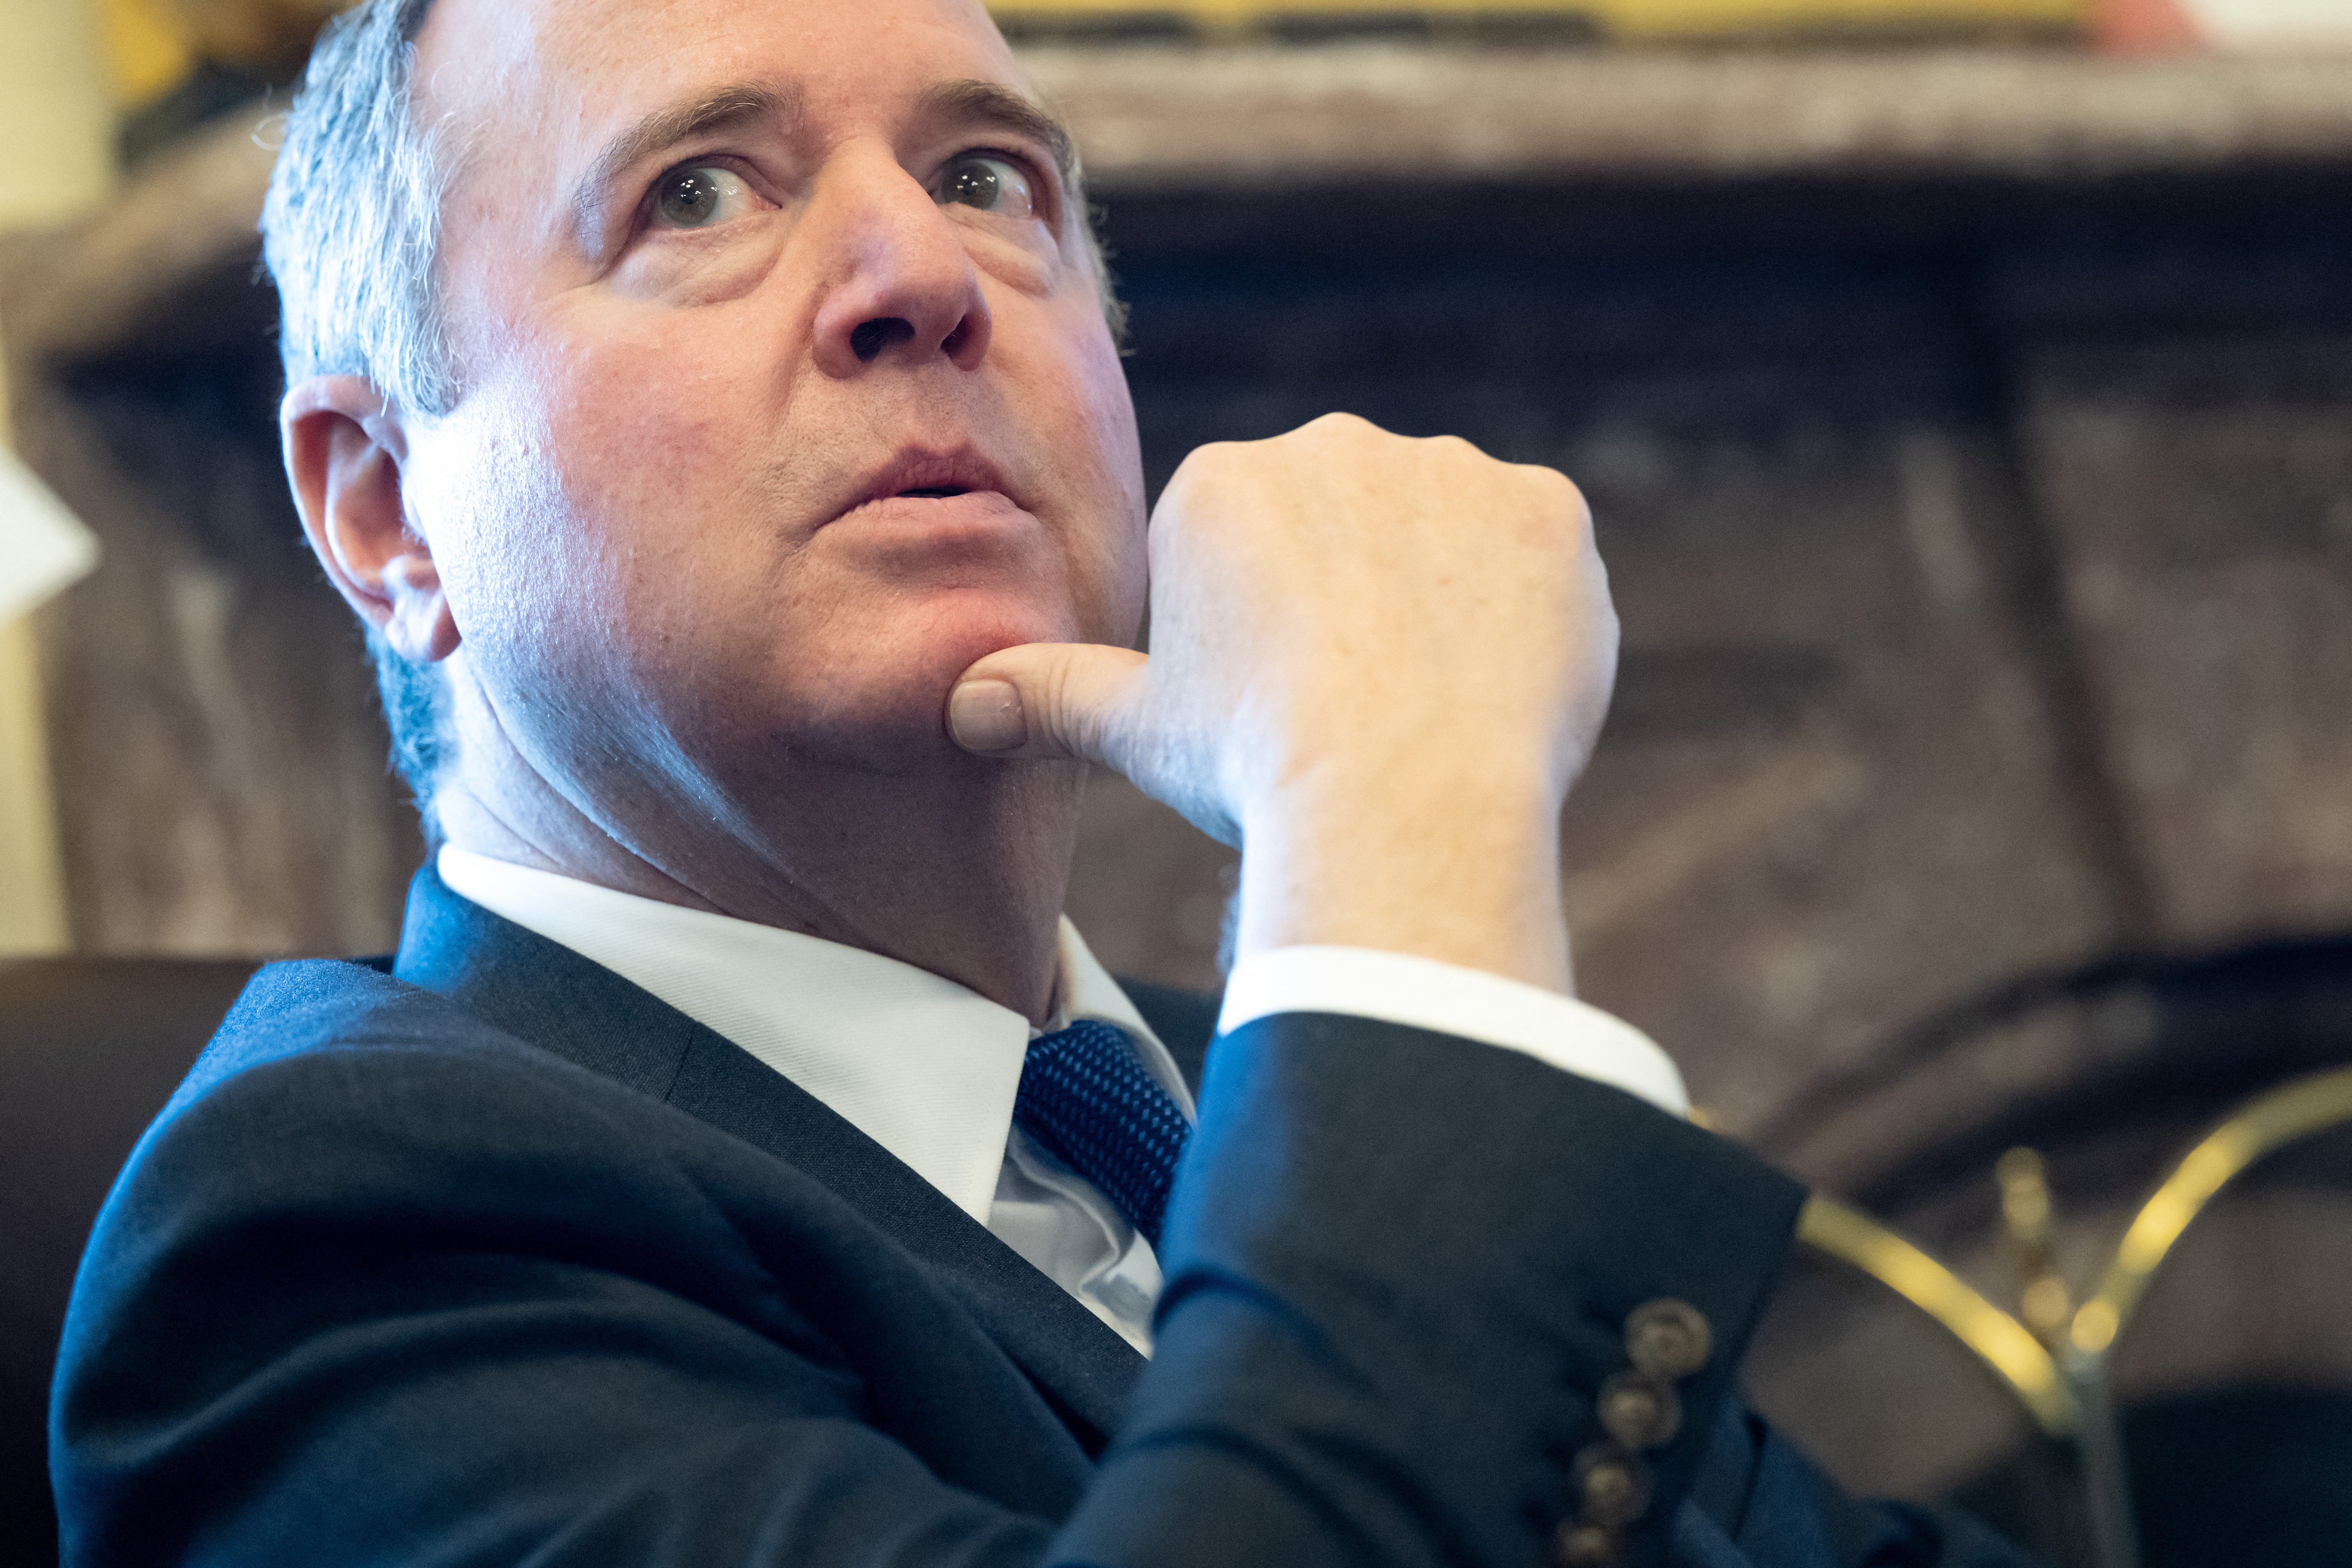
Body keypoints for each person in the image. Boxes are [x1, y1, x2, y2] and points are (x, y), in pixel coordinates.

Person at [49, 0, 2034, 1564]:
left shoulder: (1253, 1100)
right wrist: (1399, 816)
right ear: (387, 511)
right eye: (698, 195)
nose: (924, 270)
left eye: (987, 176)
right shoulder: (329, 1253)